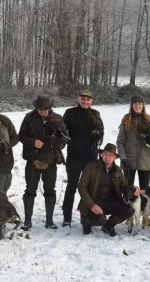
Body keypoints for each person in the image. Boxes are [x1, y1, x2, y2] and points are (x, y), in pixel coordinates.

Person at [18, 95, 68, 230]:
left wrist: (60, 144)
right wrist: (34, 142)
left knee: (50, 190)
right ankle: (27, 221)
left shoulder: (57, 118)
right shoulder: (29, 117)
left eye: (45, 109)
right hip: (33, 158)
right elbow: (21, 136)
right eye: (40, 109)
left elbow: (65, 136)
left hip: (50, 158)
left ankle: (49, 221)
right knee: (30, 190)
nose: (43, 111)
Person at [61, 90, 104, 227]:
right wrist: (66, 138)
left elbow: (101, 131)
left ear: (91, 101)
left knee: (90, 188)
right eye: (83, 99)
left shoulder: (95, 114)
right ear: (78, 99)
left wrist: (98, 136)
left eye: (88, 100)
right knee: (72, 186)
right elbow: (62, 131)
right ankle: (67, 216)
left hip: (91, 156)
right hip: (74, 155)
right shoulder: (70, 113)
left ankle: (87, 215)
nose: (85, 102)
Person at [77, 144, 135, 236]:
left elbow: (123, 185)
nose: (107, 157)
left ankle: (108, 226)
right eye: (105, 154)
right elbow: (81, 187)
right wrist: (92, 205)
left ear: (115, 157)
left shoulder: (117, 170)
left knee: (129, 210)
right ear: (102, 154)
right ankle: (86, 220)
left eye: (110, 155)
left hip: (110, 201)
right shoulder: (91, 166)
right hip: (94, 201)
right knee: (100, 219)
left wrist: (130, 189)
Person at [116, 95, 150, 193]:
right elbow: (120, 141)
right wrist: (123, 158)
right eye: (135, 103)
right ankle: (127, 207)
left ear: (143, 105)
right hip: (129, 160)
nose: (137, 106)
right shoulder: (126, 120)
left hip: (145, 159)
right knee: (127, 190)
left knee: (145, 190)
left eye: (140, 103)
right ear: (131, 105)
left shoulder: (149, 120)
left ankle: (146, 207)